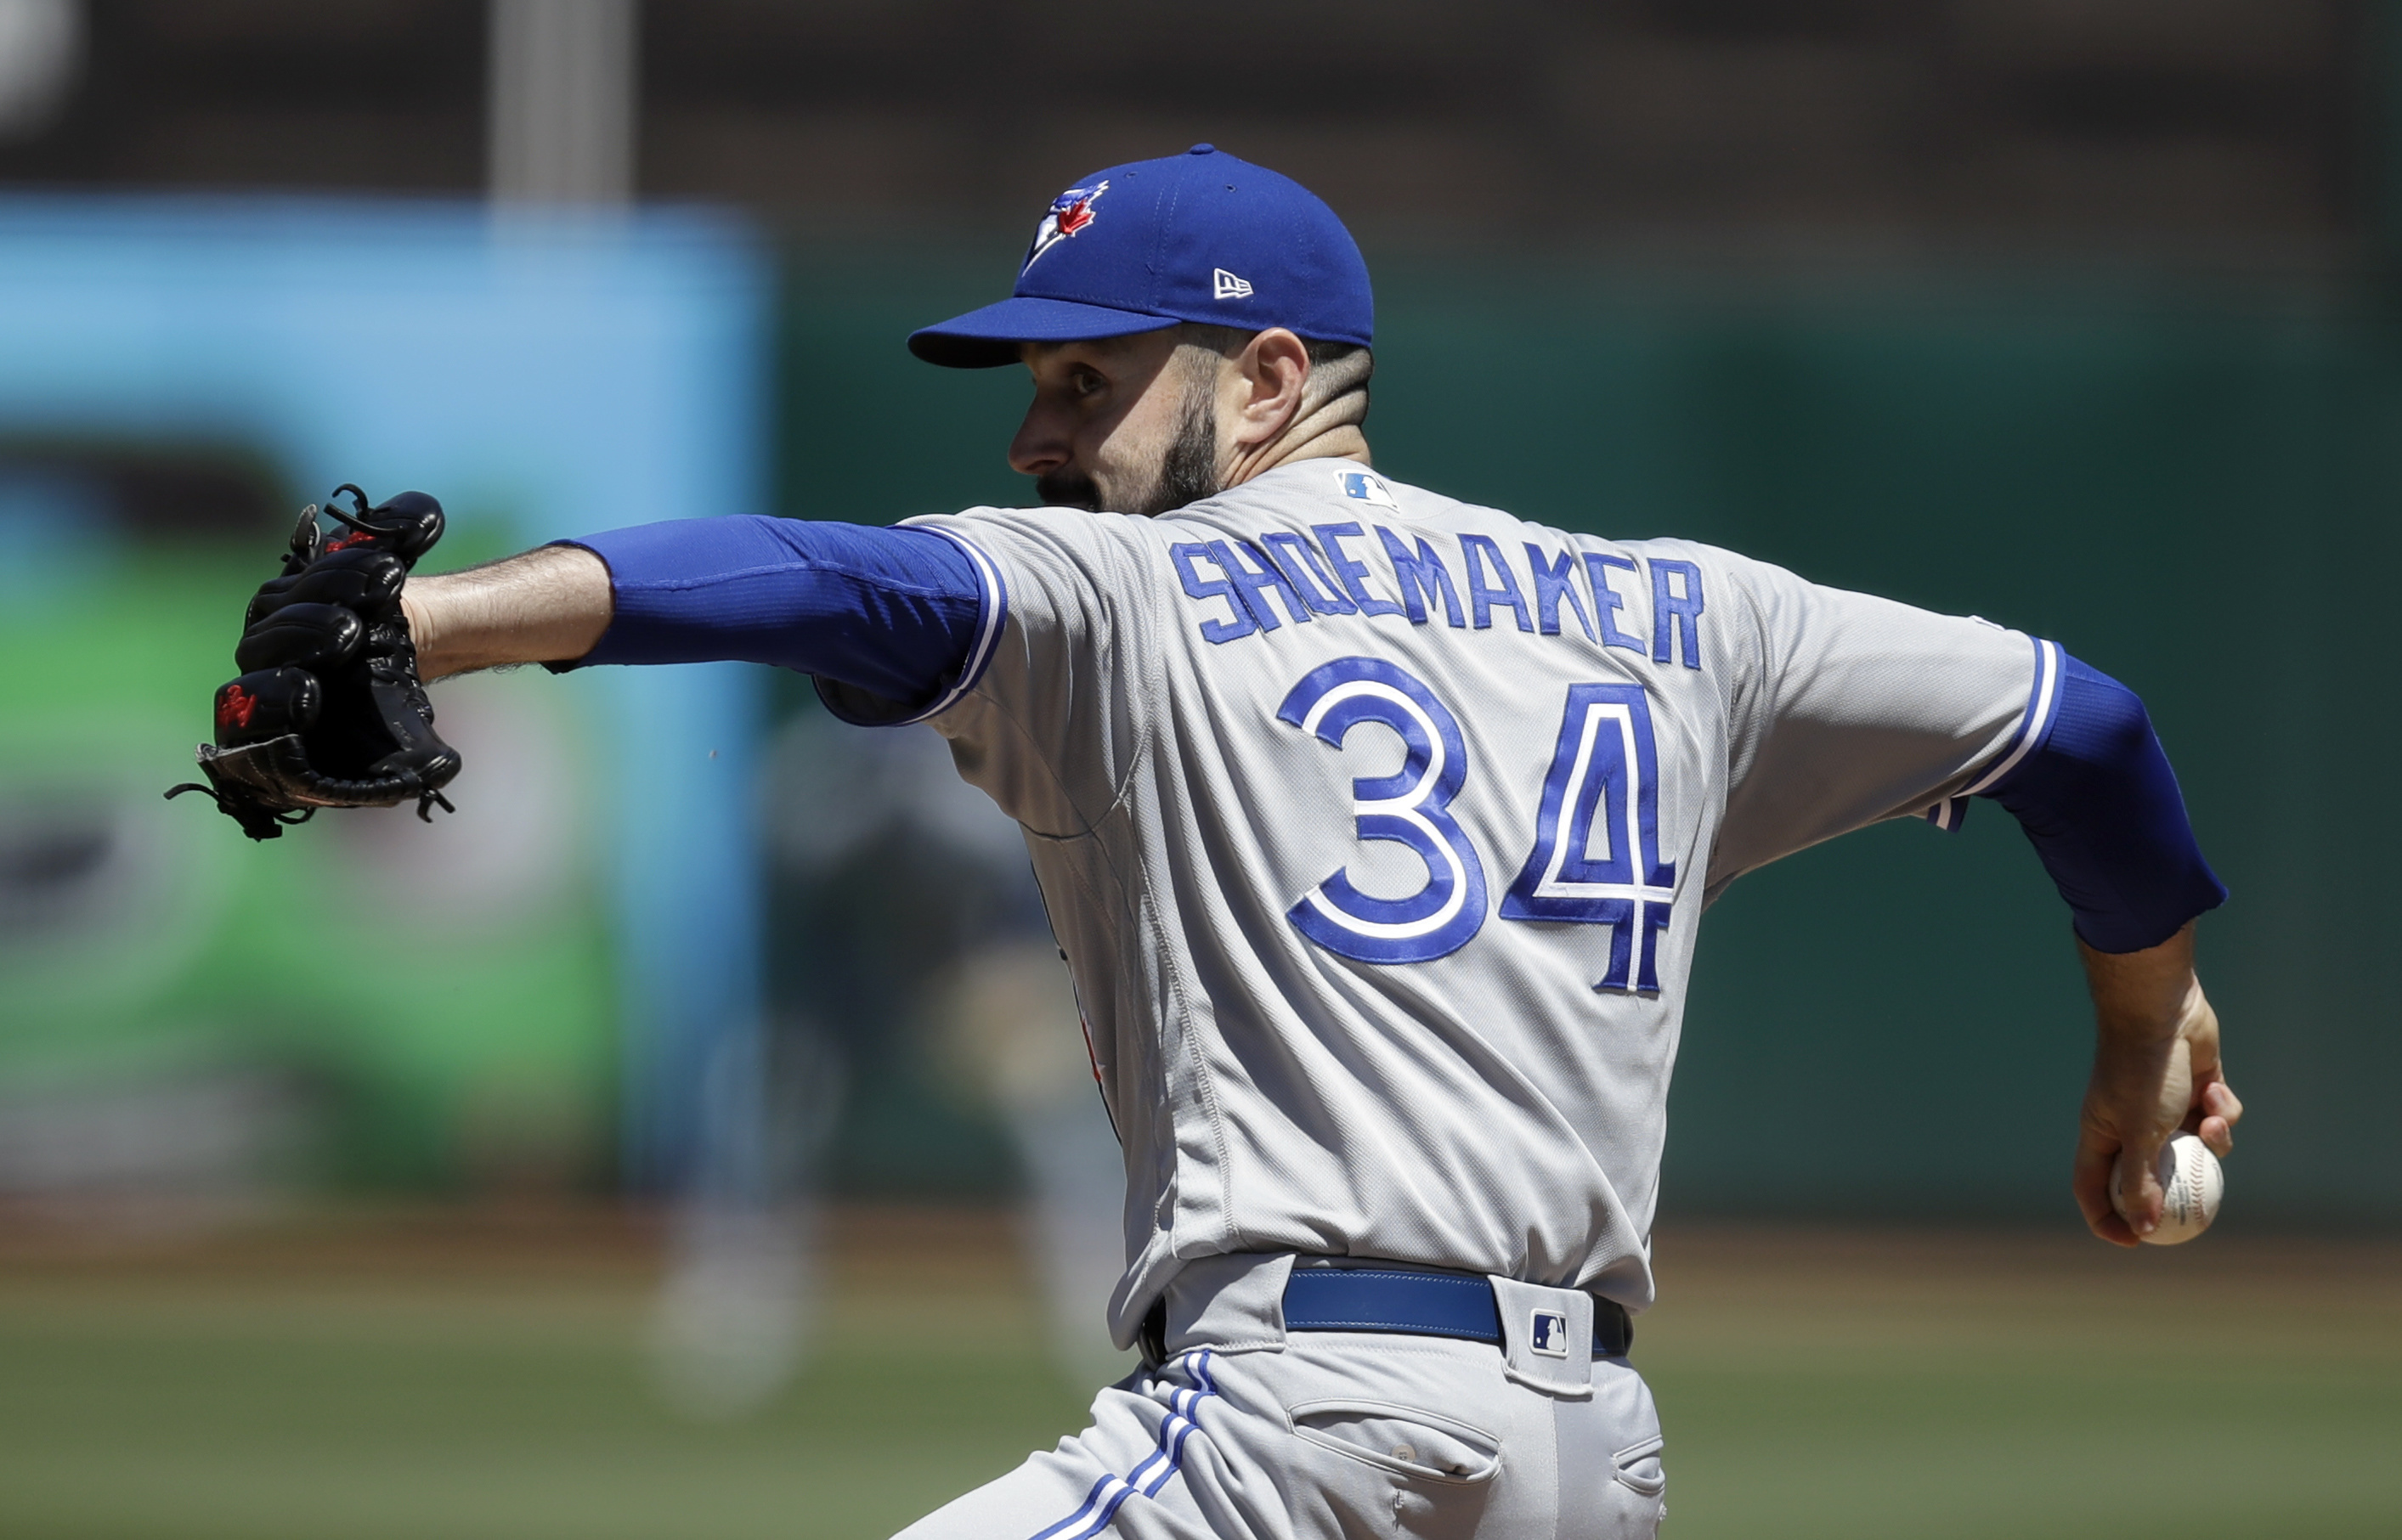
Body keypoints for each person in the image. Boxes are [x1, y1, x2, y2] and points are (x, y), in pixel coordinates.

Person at [398, 145, 2239, 1540]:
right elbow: (2084, 730)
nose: (1040, 438)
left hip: (1304, 1424)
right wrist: (2141, 1029)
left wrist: (433, 623)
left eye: (1085, 385)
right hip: (1587, 1459)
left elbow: (824, 580)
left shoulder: (1144, 586)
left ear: (1265, 382)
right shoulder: (1687, 615)